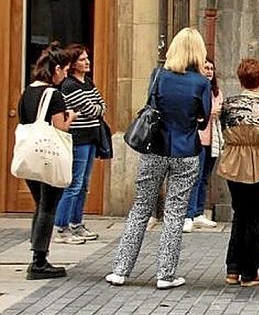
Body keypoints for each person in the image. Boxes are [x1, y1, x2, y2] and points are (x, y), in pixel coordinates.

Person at [105, 27, 212, 289]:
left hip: (155, 148)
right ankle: (165, 274)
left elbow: (150, 107)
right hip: (186, 150)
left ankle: (120, 269)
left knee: (141, 208)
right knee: (175, 213)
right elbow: (204, 119)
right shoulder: (202, 83)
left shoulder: (159, 75)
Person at [19, 43, 76, 279]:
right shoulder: (54, 94)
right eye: (65, 71)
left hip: (30, 156)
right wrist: (71, 116)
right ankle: (39, 260)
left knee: (40, 205)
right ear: (56, 70)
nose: (65, 76)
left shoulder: (27, 92)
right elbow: (60, 126)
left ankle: (37, 254)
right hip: (48, 156)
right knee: (49, 205)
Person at [216, 59, 259, 287]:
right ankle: (249, 271)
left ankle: (232, 268)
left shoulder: (228, 105)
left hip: (233, 160)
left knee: (239, 214)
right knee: (256, 217)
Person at [54, 44, 106, 244]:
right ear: (73, 63)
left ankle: (77, 223)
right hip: (78, 138)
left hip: (92, 136)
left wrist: (97, 108)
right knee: (74, 184)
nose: (87, 62)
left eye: (87, 58)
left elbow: (102, 105)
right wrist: (97, 108)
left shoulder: (88, 83)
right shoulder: (69, 85)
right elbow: (91, 108)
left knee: (84, 184)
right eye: (83, 59)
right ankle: (62, 227)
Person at [184, 57, 222, 233]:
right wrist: (208, 112)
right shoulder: (196, 88)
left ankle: (199, 212)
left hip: (213, 139)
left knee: (205, 177)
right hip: (198, 137)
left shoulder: (217, 92)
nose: (209, 71)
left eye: (211, 68)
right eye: (205, 67)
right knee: (195, 177)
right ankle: (188, 215)